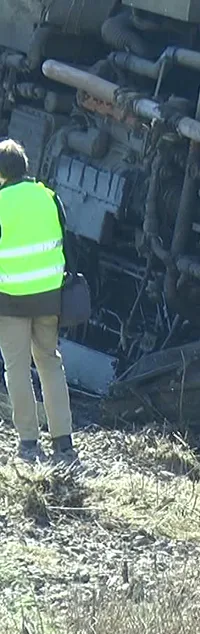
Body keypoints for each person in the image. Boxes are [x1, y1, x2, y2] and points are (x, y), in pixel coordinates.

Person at [0, 138, 77, 464]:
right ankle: (63, 443)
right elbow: (66, 242)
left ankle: (29, 443)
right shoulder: (49, 196)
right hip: (49, 297)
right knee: (49, 362)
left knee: (17, 368)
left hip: (12, 298)